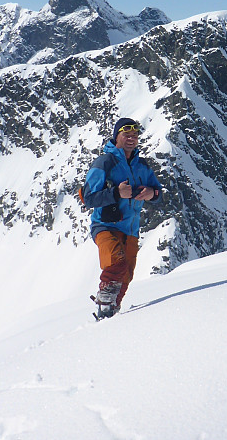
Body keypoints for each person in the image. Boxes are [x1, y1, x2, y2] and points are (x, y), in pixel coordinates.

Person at [82, 117, 163, 319]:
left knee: (126, 274)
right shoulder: (105, 162)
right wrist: (117, 193)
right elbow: (89, 198)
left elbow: (159, 194)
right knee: (116, 263)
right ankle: (105, 304)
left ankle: (110, 314)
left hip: (131, 229)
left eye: (135, 135)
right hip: (105, 226)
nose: (131, 138)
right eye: (126, 134)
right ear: (116, 136)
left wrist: (151, 193)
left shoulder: (142, 166)